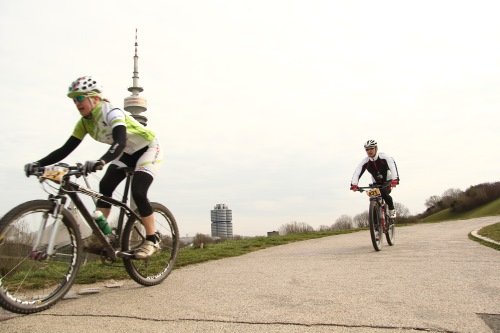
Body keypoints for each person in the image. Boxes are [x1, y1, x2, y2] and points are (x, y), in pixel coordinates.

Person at [24, 76, 163, 259]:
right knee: (105, 186)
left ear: (95, 98)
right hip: (126, 154)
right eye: (74, 99)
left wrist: (102, 161)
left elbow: (120, 142)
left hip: (147, 148)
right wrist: (39, 164)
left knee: (138, 191)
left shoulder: (111, 112)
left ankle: (152, 239)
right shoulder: (84, 123)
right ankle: (101, 236)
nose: (76, 103)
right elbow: (65, 149)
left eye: (80, 98)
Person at [350, 139, 400, 218]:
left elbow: (392, 166)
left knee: (383, 192)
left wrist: (395, 179)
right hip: (376, 183)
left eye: (371, 148)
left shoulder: (384, 157)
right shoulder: (365, 161)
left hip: (388, 180)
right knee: (373, 198)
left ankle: (391, 209)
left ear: (376, 148)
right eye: (367, 149)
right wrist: (354, 184)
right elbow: (357, 172)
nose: (369, 151)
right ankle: (376, 224)